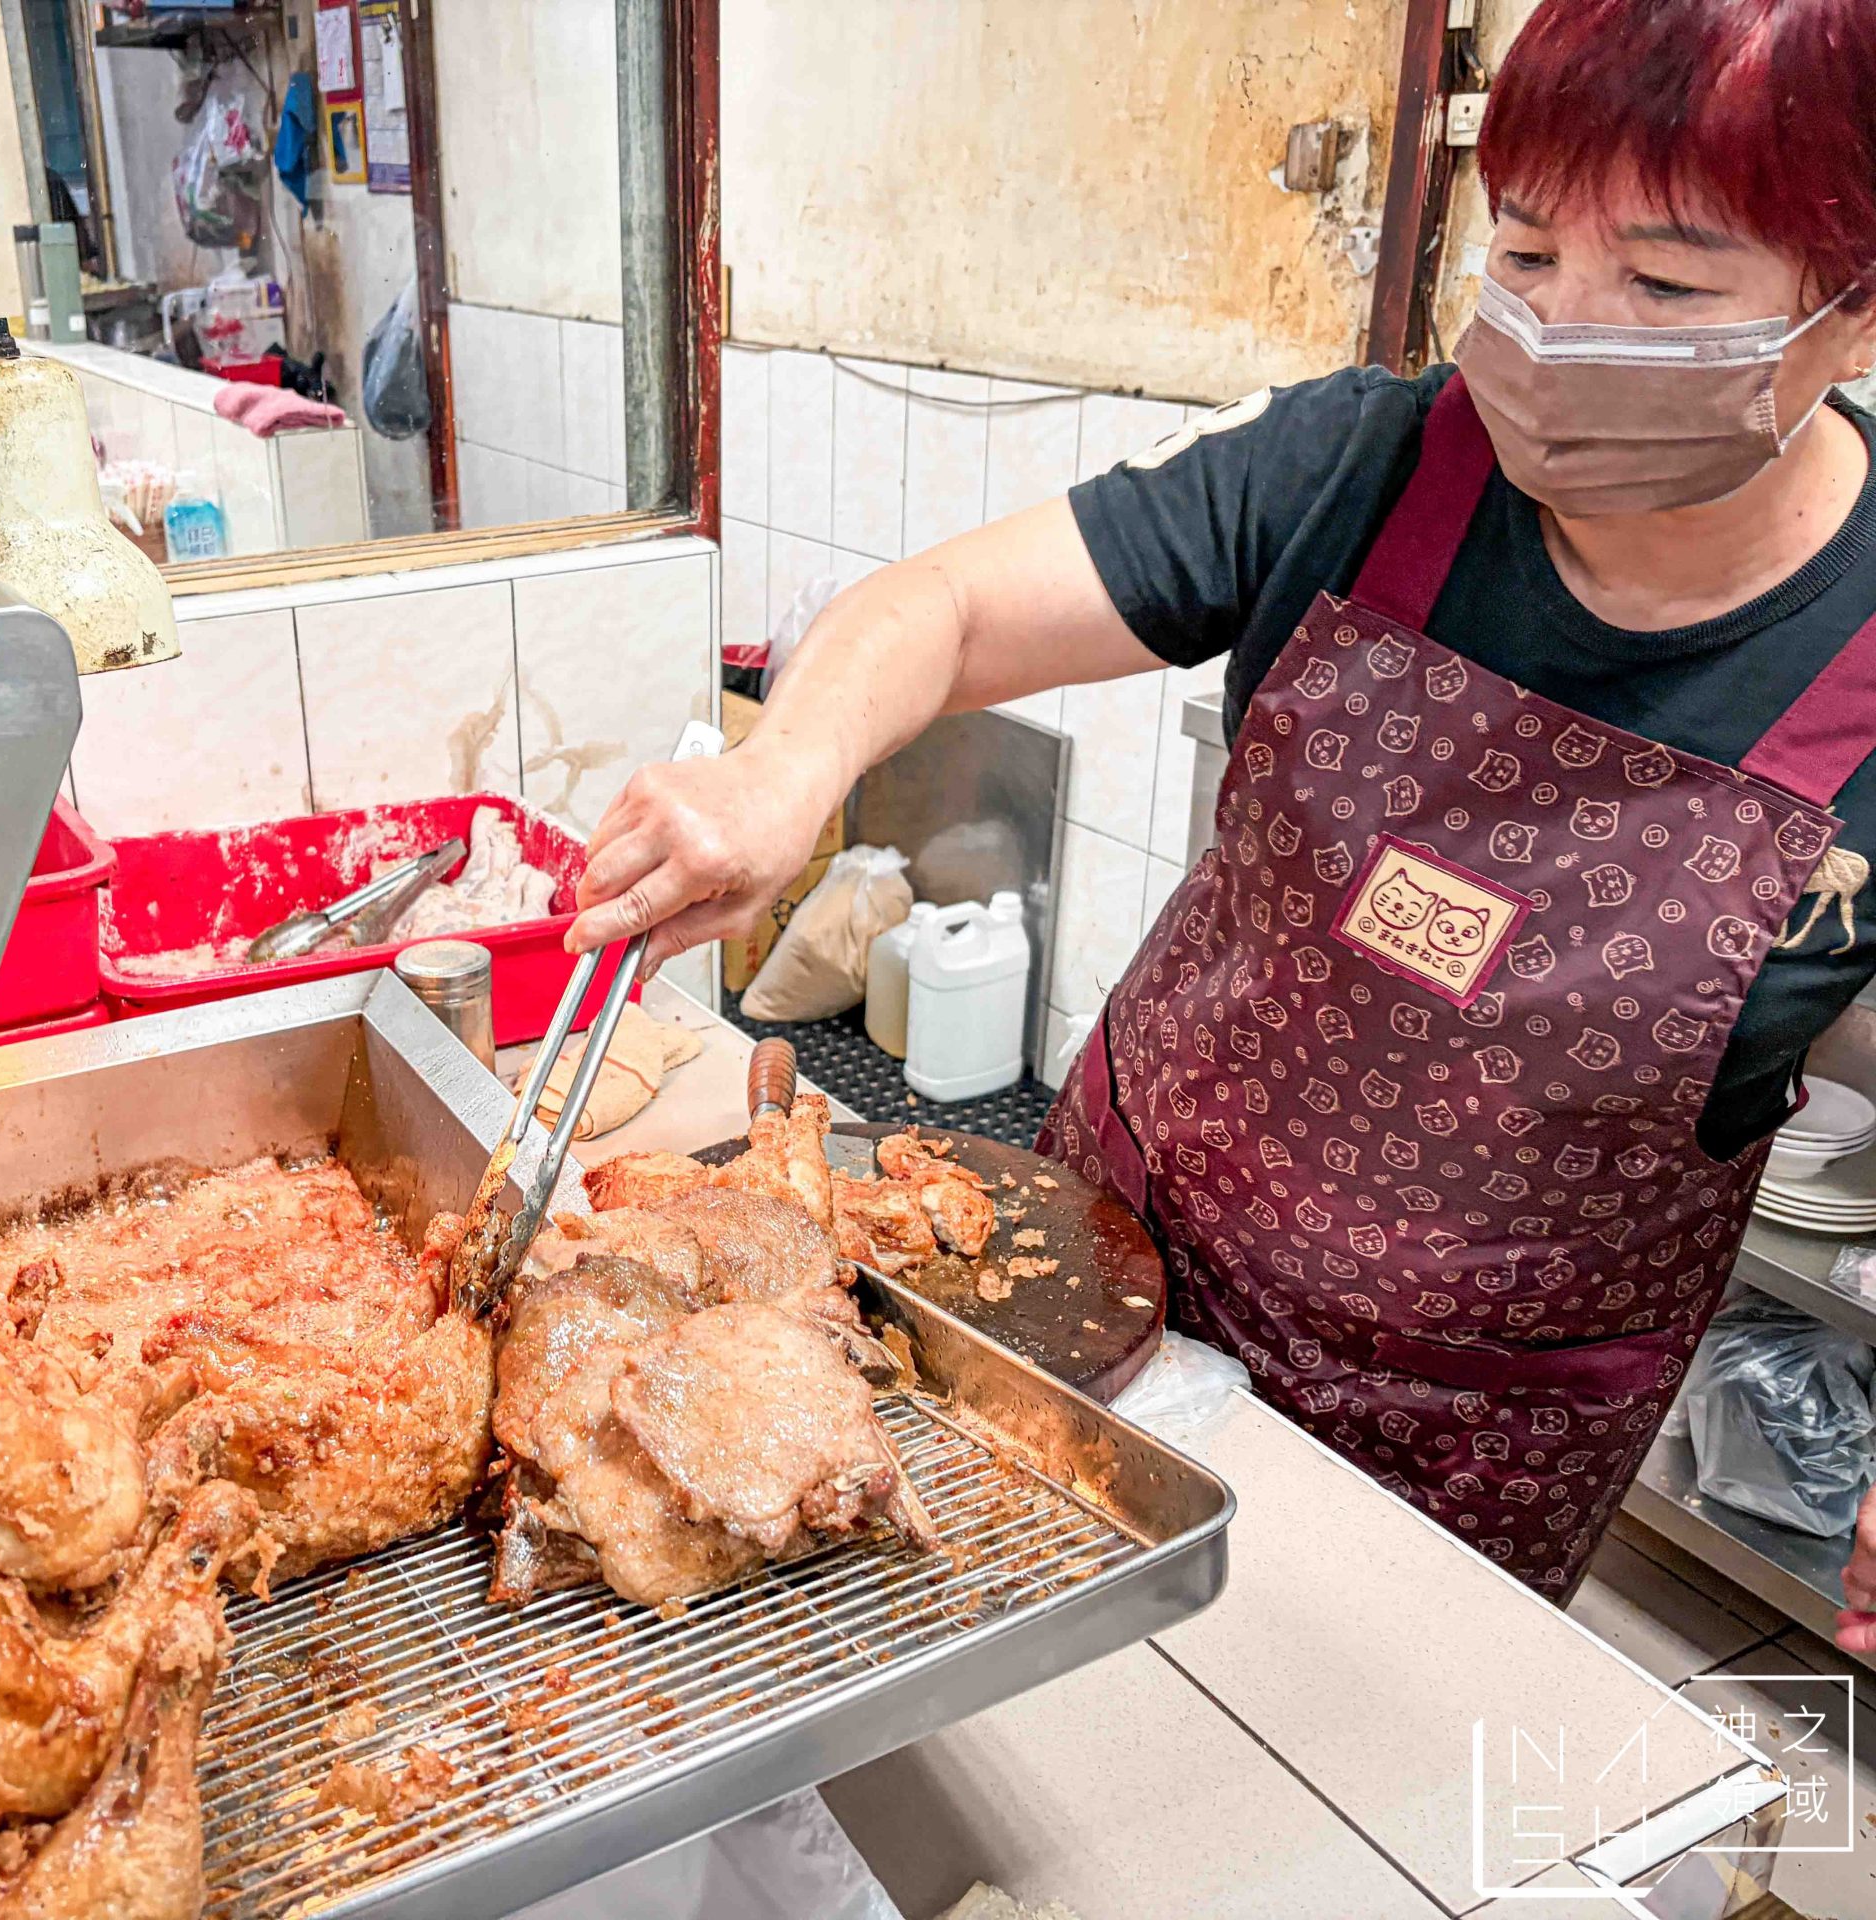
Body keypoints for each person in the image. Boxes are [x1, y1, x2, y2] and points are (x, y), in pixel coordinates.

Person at [568, 0, 1876, 1618]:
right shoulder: (1367, 464)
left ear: (1852, 303)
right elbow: (950, 612)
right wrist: (784, 769)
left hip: (1475, 1439)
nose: (1559, 333)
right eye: (1526, 257)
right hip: (1094, 1263)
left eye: (1666, 287)